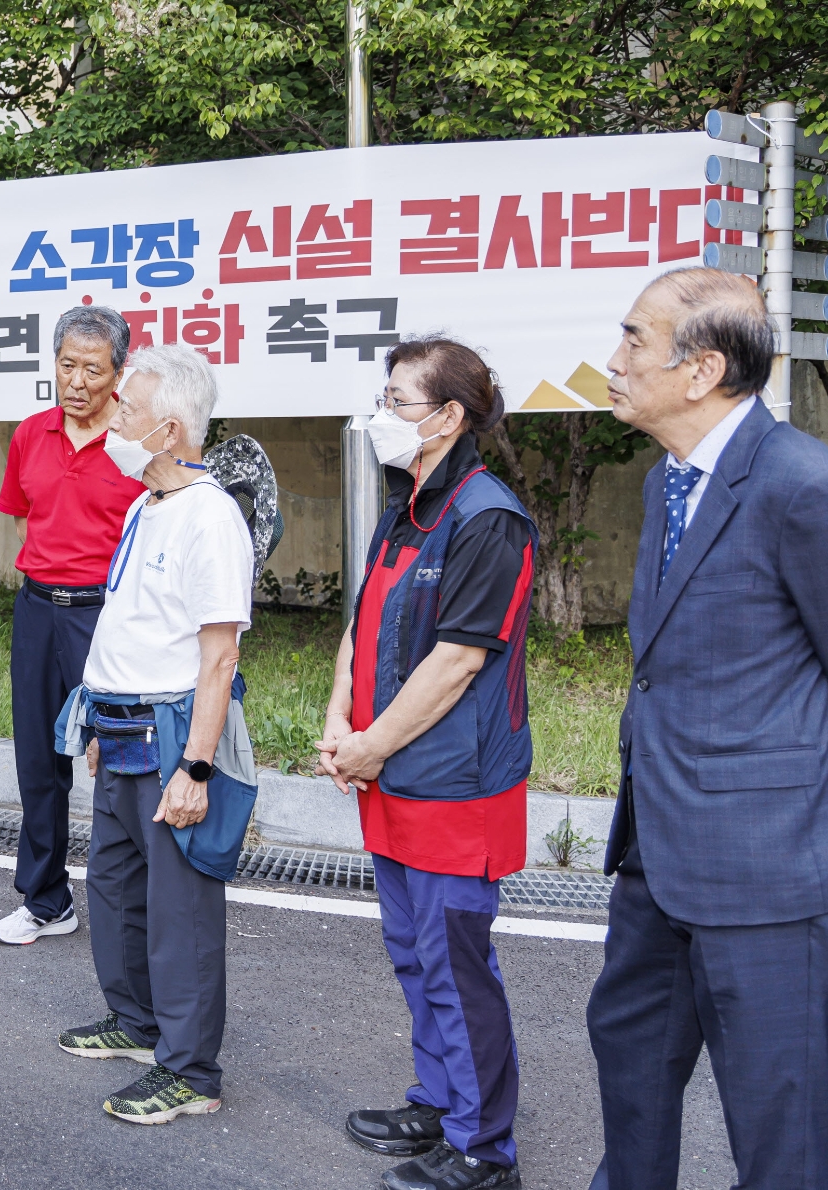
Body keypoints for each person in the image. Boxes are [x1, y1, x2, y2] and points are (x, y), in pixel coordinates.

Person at [584, 268, 828, 1190]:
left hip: (776, 880)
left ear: (702, 370)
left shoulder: (803, 486)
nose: (612, 362)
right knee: (629, 1076)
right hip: (657, 862)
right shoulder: (670, 479)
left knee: (776, 1131)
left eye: (633, 341)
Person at [317, 337, 534, 1190]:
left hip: (454, 784)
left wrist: (370, 744)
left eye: (400, 402)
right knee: (414, 954)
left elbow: (456, 662)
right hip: (391, 772)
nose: (384, 416)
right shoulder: (408, 503)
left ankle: (485, 1149)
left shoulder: (488, 517)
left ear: (448, 417)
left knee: (455, 963)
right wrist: (340, 716)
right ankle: (439, 1103)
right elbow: (362, 616)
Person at [50, 343, 253, 1125]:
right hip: (122, 729)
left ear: (169, 430)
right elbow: (135, 626)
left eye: (126, 410)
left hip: (173, 738)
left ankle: (191, 1071)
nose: (111, 420)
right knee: (115, 887)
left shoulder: (210, 517)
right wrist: (98, 720)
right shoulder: (147, 504)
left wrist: (196, 769)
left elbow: (219, 655)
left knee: (181, 911)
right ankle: (136, 1023)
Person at [0, 304, 142, 945]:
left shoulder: (137, 447)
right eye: (67, 365)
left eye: (93, 369)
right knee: (38, 760)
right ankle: (48, 900)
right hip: (36, 611)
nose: (77, 381)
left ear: (120, 373)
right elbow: (25, 514)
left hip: (105, 617)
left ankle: (129, 903)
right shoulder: (30, 434)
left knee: (120, 762)